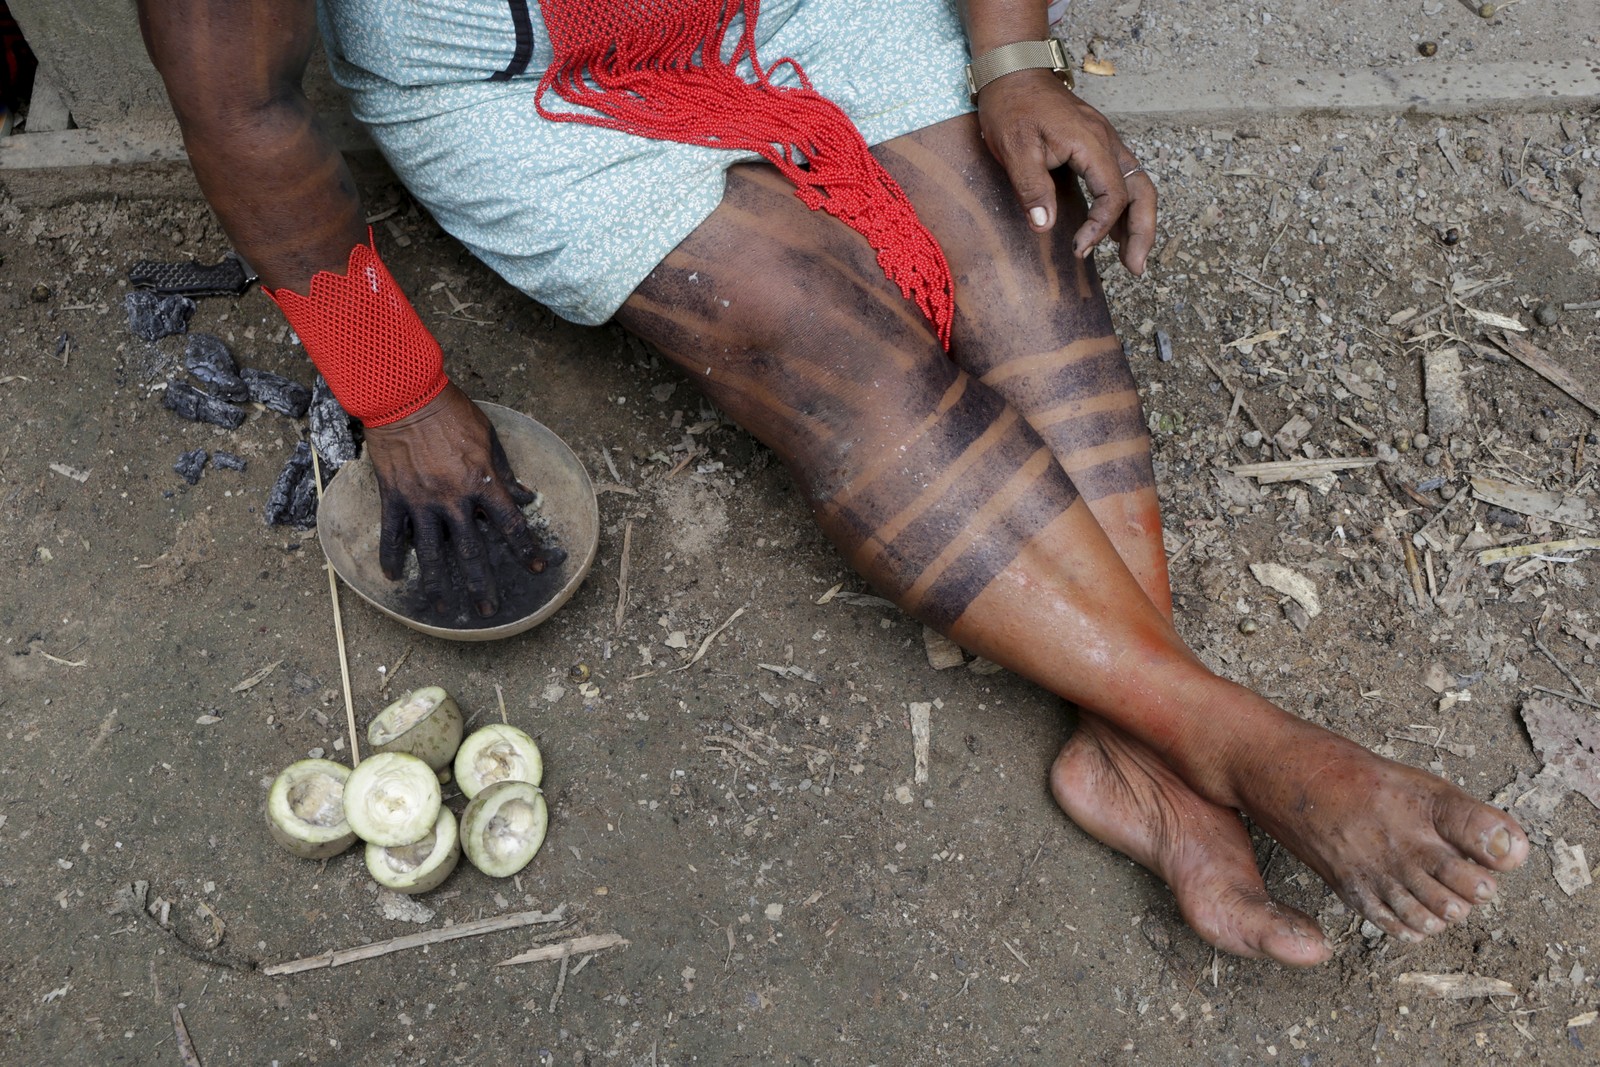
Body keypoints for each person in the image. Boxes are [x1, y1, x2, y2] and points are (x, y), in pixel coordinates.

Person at [136, 0, 1529, 966]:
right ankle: (1234, 749)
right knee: (814, 331)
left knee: (1017, 244)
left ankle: (1143, 760)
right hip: (511, 80)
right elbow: (239, 103)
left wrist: (1015, 61)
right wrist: (397, 387)